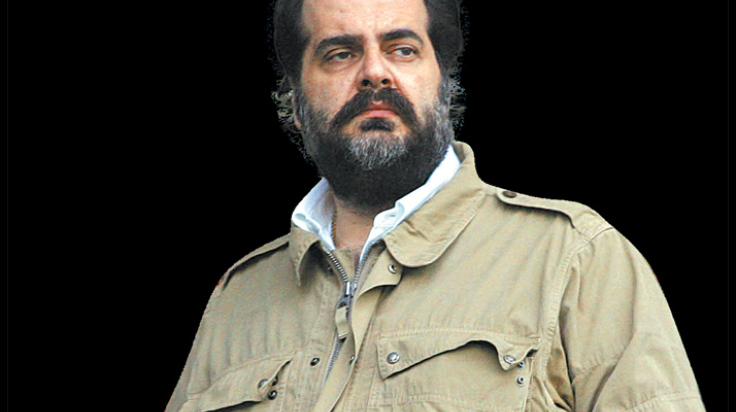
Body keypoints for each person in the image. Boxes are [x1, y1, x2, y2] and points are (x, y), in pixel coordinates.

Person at [166, 0, 705, 410]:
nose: (375, 72)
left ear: (444, 83)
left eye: (402, 49)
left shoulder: (574, 257)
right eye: (340, 53)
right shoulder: (238, 297)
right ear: (295, 98)